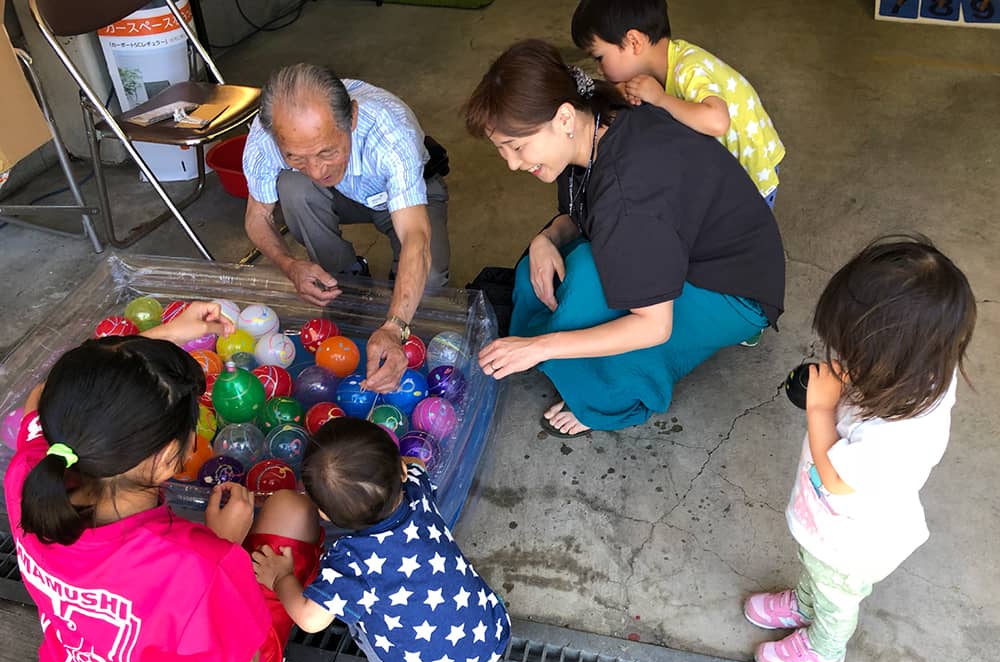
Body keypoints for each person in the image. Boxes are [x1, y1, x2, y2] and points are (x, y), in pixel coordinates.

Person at [463, 40, 785, 436]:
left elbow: (654, 327)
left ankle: (609, 399)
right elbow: (580, 213)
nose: (513, 163)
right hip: (685, 243)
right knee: (545, 265)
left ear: (563, 117)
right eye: (502, 151)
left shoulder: (629, 196)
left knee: (584, 293)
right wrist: (545, 238)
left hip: (734, 289)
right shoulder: (596, 121)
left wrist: (539, 347)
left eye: (517, 146)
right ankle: (565, 355)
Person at [5, 302, 323, 662]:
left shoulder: (29, 475)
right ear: (171, 455)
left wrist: (162, 339)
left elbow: (48, 391)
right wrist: (227, 548)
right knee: (291, 509)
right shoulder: (203, 566)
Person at [744, 236, 976, 662]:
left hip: (852, 540)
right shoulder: (920, 367)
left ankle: (823, 651)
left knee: (836, 597)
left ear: (893, 357)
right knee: (814, 567)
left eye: (854, 351)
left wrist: (818, 407)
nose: (842, 360)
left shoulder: (897, 436)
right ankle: (805, 601)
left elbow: (834, 479)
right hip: (827, 526)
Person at [252, 417, 510, 662]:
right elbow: (418, 464)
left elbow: (310, 620)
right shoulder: (416, 490)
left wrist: (281, 577)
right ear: (401, 470)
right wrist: (383, 463)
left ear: (324, 515)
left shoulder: (350, 562)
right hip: (492, 631)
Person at [242, 63, 450, 392]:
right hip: (339, 197)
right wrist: (290, 265)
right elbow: (257, 216)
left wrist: (395, 326)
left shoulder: (389, 131)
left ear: (351, 118)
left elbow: (416, 236)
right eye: (296, 156)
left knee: (430, 276)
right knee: (296, 188)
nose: (315, 169)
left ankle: (400, 296)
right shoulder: (267, 134)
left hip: (403, 197)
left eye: (328, 151)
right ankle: (345, 281)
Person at [571, 0, 785, 208]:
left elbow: (718, 121)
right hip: (726, 165)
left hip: (752, 172)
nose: (599, 69)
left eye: (599, 57)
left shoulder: (687, 70)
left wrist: (660, 99)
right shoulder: (666, 60)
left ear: (634, 42)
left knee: (740, 234)